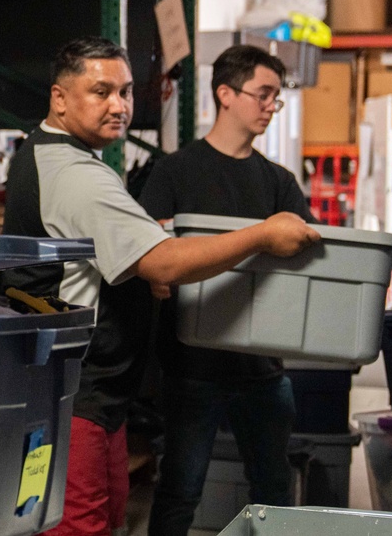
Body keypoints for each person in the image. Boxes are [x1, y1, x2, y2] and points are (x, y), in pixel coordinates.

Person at [0, 36, 320, 536]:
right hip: (74, 394)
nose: (119, 106)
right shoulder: (77, 173)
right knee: (82, 525)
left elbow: (112, 258)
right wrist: (261, 234)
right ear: (60, 98)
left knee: (100, 519)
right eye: (101, 92)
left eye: (125, 92)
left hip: (96, 396)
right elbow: (164, 263)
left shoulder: (59, 157)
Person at [137, 45, 316, 536]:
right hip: (193, 366)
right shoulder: (175, 172)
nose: (269, 108)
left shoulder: (278, 182)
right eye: (263, 95)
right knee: (179, 490)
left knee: (273, 492)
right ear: (225, 94)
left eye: (275, 99)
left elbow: (308, 258)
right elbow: (147, 249)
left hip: (263, 370)